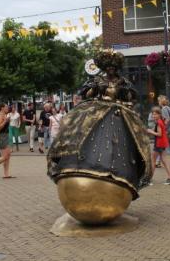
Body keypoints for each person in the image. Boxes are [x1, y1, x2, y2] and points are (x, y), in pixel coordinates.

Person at [48, 49, 152, 200]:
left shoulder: (123, 81)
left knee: (127, 141)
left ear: (116, 68)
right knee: (86, 132)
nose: (111, 69)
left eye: (113, 67)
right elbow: (85, 94)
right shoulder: (97, 80)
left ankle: (123, 176)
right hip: (99, 112)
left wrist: (124, 91)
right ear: (104, 67)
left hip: (119, 113)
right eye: (108, 67)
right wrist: (96, 88)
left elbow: (132, 97)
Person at [147, 106, 170, 185]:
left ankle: (149, 179)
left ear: (159, 114)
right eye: (153, 114)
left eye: (155, 114)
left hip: (159, 143)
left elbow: (159, 134)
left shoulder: (159, 122)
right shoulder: (160, 121)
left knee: (153, 160)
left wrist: (150, 131)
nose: (153, 116)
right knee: (164, 161)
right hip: (162, 143)